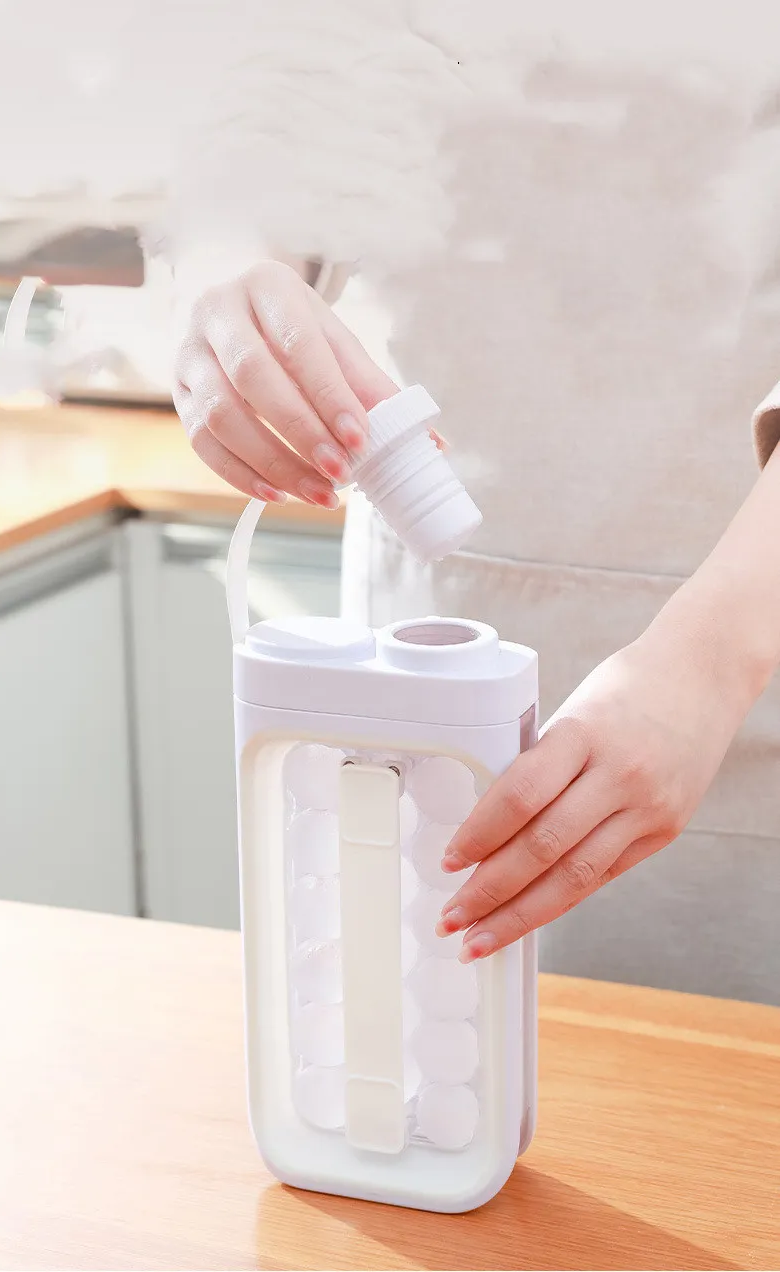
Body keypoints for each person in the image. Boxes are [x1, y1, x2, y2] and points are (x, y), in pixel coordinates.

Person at [170, 5, 780, 1004]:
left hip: (747, 644)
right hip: (426, 635)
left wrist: (711, 664)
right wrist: (230, 275)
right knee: (430, 1039)